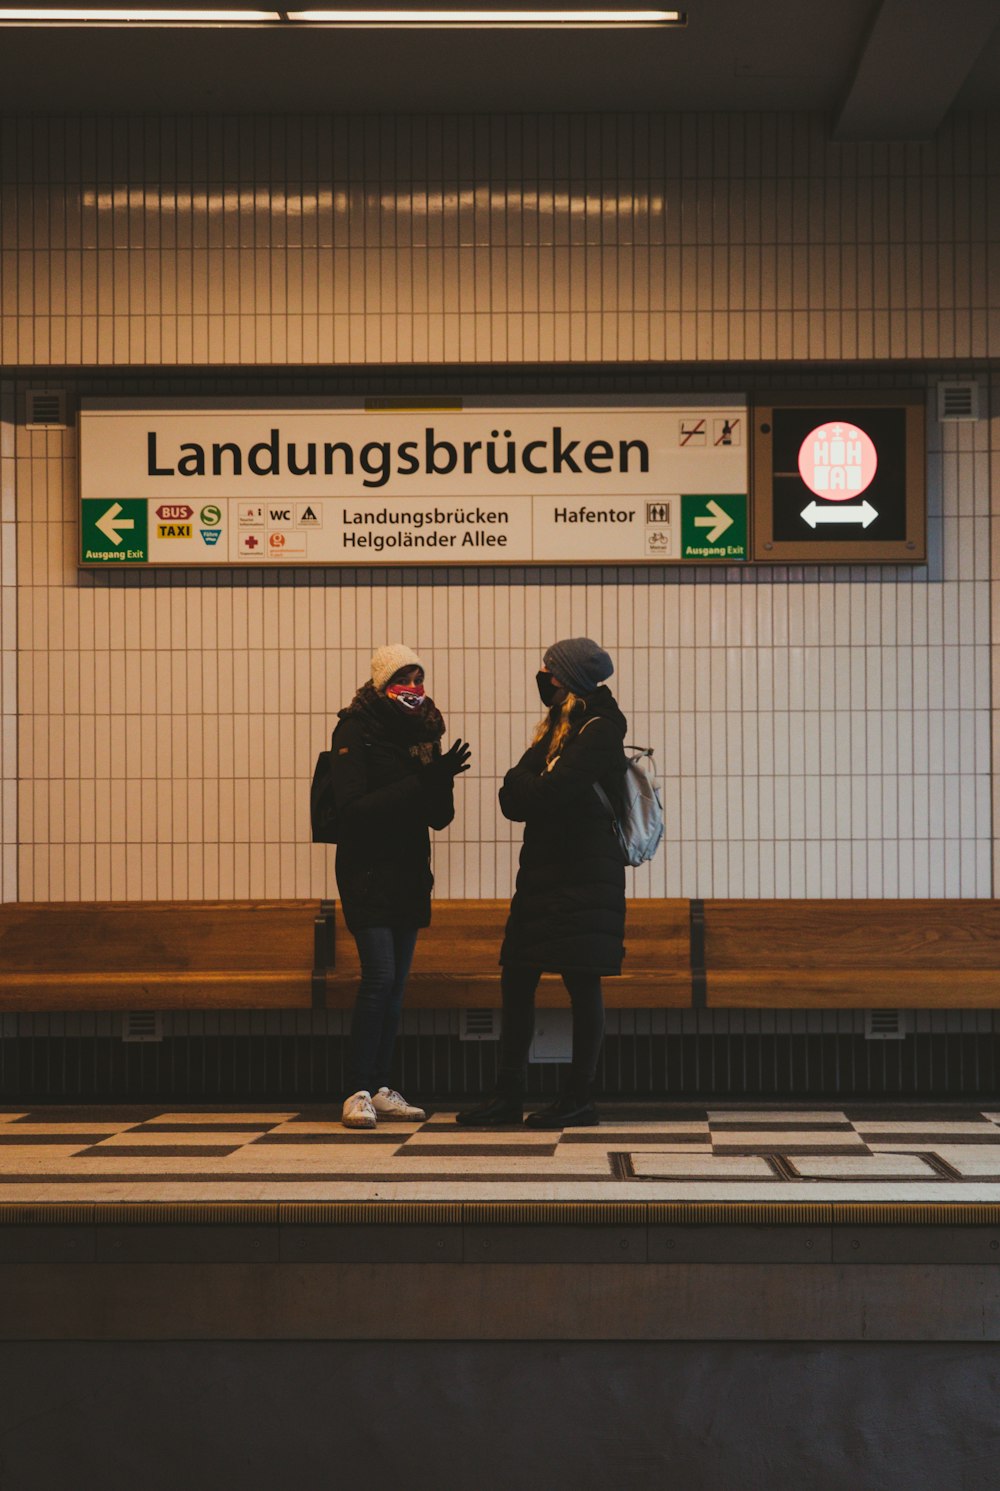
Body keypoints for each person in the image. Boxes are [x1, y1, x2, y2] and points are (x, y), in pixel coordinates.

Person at [457, 637, 627, 1129]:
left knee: (581, 981)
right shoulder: (559, 725)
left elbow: (544, 792)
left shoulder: (600, 729)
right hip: (543, 877)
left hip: (584, 878)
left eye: (549, 671)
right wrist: (525, 786)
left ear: (568, 678)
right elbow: (515, 796)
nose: (542, 677)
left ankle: (578, 1098)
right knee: (517, 977)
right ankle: (507, 1096)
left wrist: (524, 785)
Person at [331, 644, 471, 1129]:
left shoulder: (427, 733)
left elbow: (440, 817)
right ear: (382, 683)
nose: (414, 689)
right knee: (379, 979)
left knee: (396, 987)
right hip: (366, 871)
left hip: (410, 873)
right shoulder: (355, 729)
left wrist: (441, 780)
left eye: (419, 679)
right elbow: (352, 810)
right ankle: (356, 1090)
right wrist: (423, 780)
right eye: (404, 680)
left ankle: (381, 1085)